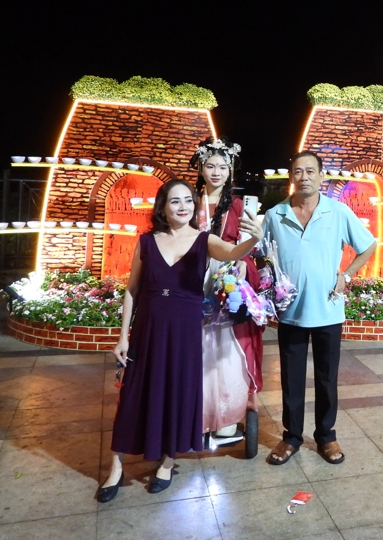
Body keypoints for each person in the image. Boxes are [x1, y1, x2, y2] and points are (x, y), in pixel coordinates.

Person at [97, 179, 262, 502]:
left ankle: (168, 460)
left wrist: (252, 239)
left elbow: (232, 252)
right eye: (175, 201)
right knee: (133, 394)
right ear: (162, 207)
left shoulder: (204, 240)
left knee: (177, 393)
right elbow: (132, 290)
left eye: (188, 200)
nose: (183, 206)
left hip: (186, 330)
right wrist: (122, 336)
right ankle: (115, 467)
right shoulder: (146, 242)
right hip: (149, 327)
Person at [262, 150, 376, 466]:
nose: (304, 177)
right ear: (291, 177)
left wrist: (347, 275)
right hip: (291, 313)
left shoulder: (337, 213)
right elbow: (261, 255)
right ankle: (292, 438)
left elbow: (368, 246)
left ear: (321, 176)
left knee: (327, 379)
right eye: (298, 171)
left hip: (328, 310)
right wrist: (269, 282)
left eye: (311, 171)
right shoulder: (275, 215)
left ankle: (326, 436)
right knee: (291, 380)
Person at [191, 138, 264, 443]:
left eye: (223, 166)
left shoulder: (238, 205)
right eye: (210, 166)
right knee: (196, 347)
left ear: (230, 170)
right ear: (200, 167)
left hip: (225, 278)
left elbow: (249, 246)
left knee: (225, 347)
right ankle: (195, 411)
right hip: (191, 278)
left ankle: (227, 412)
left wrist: (245, 262)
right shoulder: (188, 201)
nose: (216, 172)